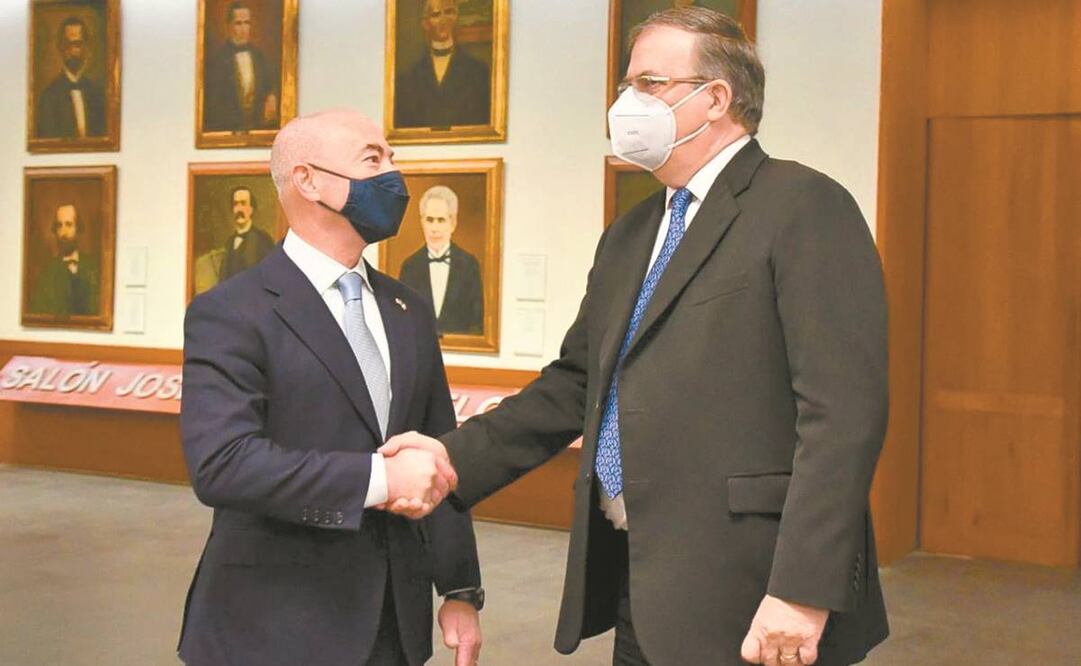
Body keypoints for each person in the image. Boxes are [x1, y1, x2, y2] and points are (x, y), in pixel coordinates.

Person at [382, 7, 889, 666]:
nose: (627, 102)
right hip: (641, 584)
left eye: (650, 84)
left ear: (715, 99)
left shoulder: (801, 206)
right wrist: (449, 461)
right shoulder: (631, 233)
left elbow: (841, 415)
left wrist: (801, 590)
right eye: (626, 85)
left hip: (759, 596)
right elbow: (574, 385)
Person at [178, 109, 482, 666]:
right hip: (272, 626)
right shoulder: (230, 312)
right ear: (307, 180)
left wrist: (459, 590)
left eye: (392, 158)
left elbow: (437, 448)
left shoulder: (407, 308)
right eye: (373, 159)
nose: (394, 175)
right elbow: (223, 463)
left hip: (394, 623)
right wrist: (379, 477)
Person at [398, 186, 484, 335]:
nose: (434, 228)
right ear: (422, 222)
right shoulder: (410, 267)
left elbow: (477, 323)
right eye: (429, 220)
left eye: (441, 220)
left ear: (453, 223)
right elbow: (402, 322)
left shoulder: (469, 265)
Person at [394, 0, 490, 129]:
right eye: (436, 14)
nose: (443, 20)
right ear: (425, 23)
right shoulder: (408, 79)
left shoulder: (479, 72)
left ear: (457, 17)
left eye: (449, 12)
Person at [203, 1, 279, 132]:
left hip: (258, 128)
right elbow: (213, 108)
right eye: (238, 23)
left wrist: (272, 96)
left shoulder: (259, 57)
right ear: (228, 26)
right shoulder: (217, 62)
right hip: (229, 129)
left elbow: (272, 84)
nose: (244, 29)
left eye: (247, 23)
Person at [35, 16, 106, 139]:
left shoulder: (98, 94)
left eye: (77, 44)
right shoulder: (48, 97)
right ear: (60, 47)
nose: (71, 50)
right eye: (66, 44)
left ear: (86, 47)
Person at [30, 204, 99, 317]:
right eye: (59, 226)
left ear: (78, 229)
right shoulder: (47, 272)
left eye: (69, 225)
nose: (63, 232)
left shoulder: (93, 267)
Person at [219, 185, 275, 280]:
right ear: (232, 209)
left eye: (243, 203)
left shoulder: (263, 240)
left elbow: (271, 276)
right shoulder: (229, 242)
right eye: (236, 204)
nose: (239, 209)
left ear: (251, 209)